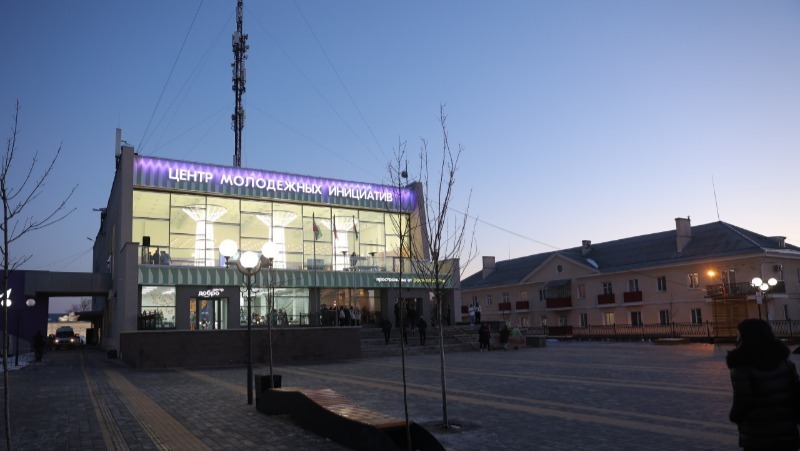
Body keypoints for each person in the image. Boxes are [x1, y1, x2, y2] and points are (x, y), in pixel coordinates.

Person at [727, 318, 800, 451]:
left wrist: (735, 416)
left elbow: (742, 402)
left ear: (746, 338)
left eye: (739, 335)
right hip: (786, 434)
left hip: (757, 436)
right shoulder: (786, 364)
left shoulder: (742, 368)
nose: (737, 339)